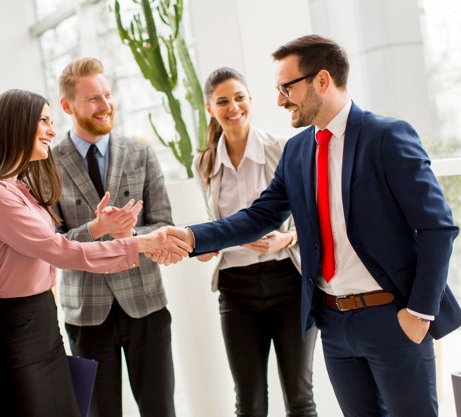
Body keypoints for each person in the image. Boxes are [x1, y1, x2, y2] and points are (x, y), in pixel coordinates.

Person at [163, 35, 461, 417]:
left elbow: (437, 228)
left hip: (392, 318)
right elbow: (260, 215)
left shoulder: (386, 136)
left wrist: (419, 313)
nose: (279, 99)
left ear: (322, 81)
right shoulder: (298, 149)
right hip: (334, 324)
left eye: (287, 88)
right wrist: (191, 237)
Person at [0, 89, 188, 417]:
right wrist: (141, 243)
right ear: (17, 125)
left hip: (41, 321)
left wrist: (97, 227)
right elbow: (59, 250)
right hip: (14, 329)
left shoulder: (17, 186)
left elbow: (46, 242)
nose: (52, 130)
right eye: (44, 122)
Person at [52, 57, 176, 417]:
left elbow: (164, 223)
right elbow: (53, 243)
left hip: (146, 305)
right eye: (93, 99)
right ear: (67, 105)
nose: (105, 105)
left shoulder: (142, 154)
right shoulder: (47, 164)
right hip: (86, 314)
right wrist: (97, 230)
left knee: (160, 410)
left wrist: (131, 234)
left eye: (107, 95)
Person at [194, 67, 317, 417]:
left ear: (251, 100)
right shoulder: (203, 162)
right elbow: (220, 227)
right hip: (236, 290)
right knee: (248, 403)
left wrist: (286, 239)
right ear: (210, 109)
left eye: (239, 97)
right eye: (222, 101)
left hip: (288, 284)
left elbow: (317, 222)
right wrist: (206, 246)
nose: (233, 107)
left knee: (300, 398)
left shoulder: (285, 150)